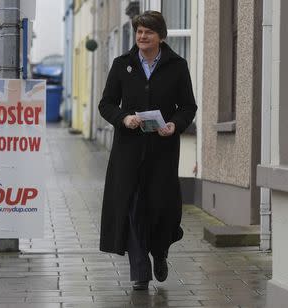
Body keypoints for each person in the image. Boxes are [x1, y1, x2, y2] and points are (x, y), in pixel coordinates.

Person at [98, 11, 197, 291]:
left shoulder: (177, 66)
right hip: (128, 151)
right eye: (139, 31)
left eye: (148, 32)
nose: (142, 36)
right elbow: (106, 104)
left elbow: (188, 106)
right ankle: (140, 271)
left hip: (162, 151)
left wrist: (174, 125)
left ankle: (161, 251)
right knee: (132, 207)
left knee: (161, 209)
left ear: (160, 36)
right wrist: (123, 119)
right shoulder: (122, 65)